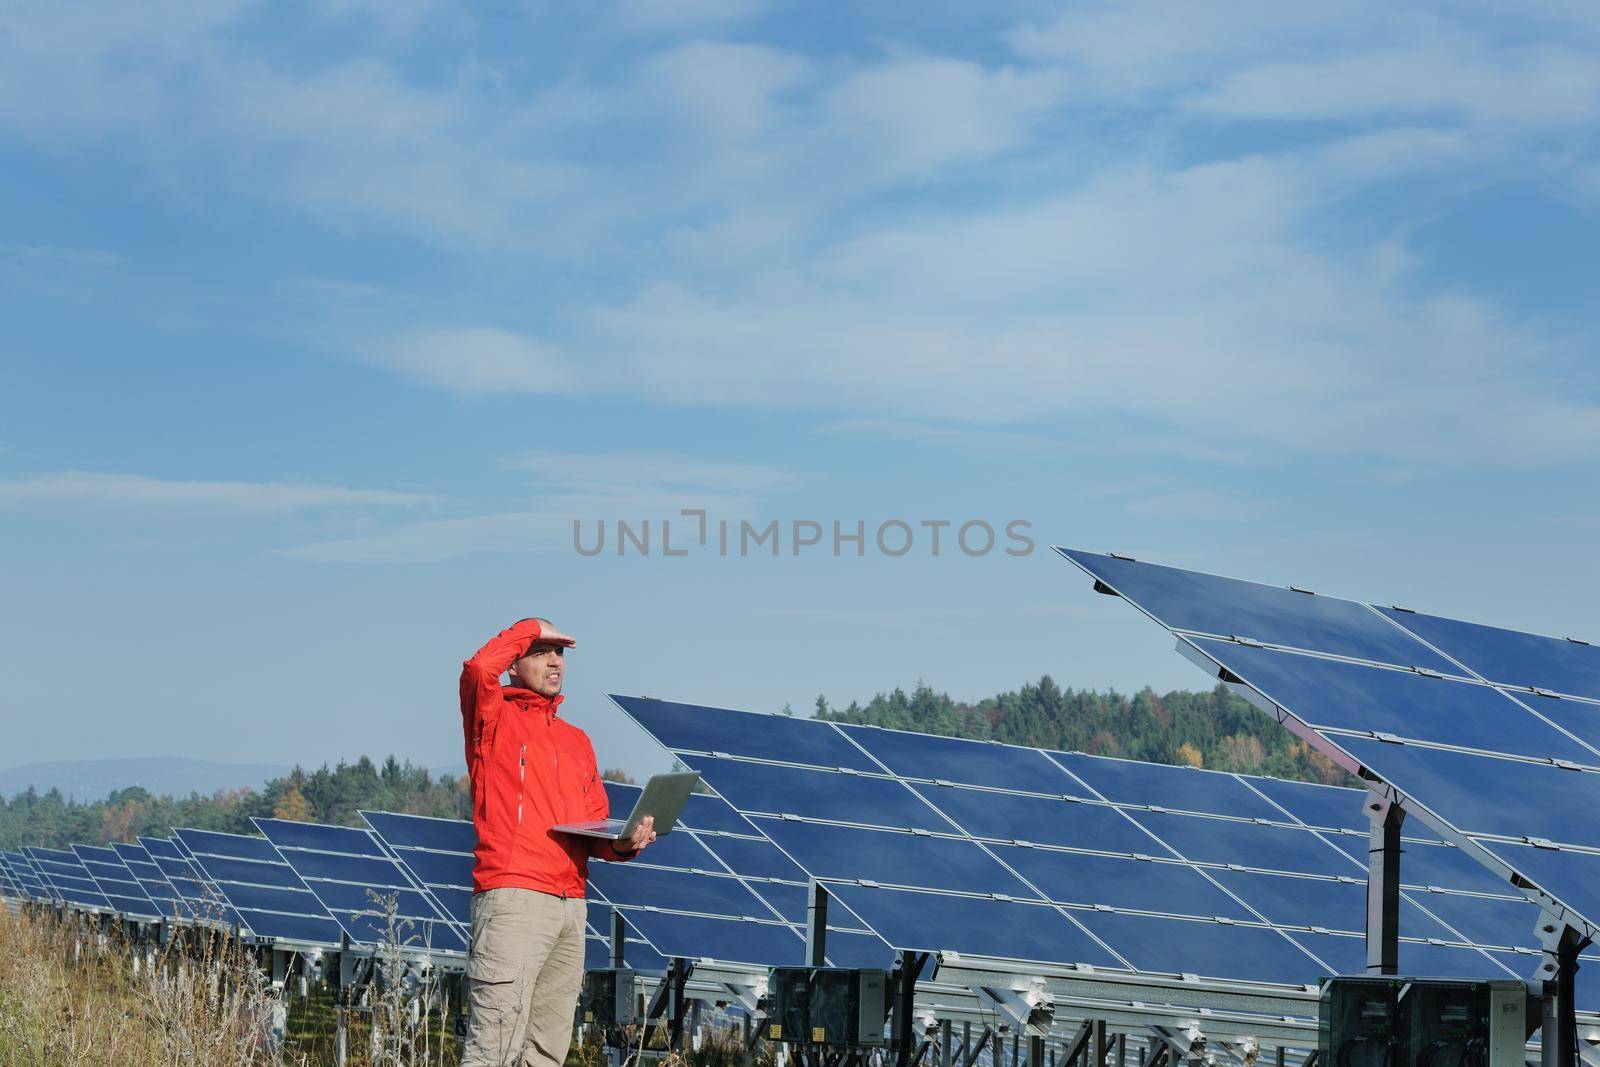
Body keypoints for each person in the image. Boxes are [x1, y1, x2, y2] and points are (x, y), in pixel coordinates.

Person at [458, 617, 656, 1067]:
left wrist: (624, 844)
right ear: (514, 662)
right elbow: (477, 669)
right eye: (540, 651)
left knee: (547, 1051)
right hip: (514, 899)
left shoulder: (576, 741)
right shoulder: (492, 719)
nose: (554, 660)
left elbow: (592, 829)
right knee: (494, 1045)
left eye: (560, 652)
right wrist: (529, 628)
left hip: (571, 905)